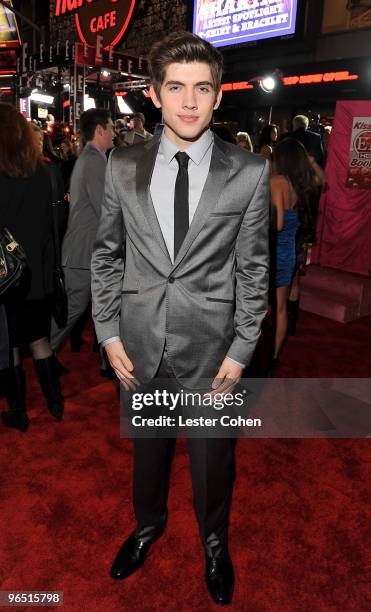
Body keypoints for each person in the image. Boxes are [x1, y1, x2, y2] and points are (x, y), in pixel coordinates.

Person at [91, 31, 269, 605]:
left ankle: (214, 543)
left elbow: (253, 272)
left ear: (218, 98)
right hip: (140, 343)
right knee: (149, 454)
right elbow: (107, 255)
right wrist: (108, 329)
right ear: (153, 94)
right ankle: (147, 528)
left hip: (214, 353)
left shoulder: (249, 172)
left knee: (214, 463)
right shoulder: (121, 165)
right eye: (176, 87)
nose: (189, 101)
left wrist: (242, 352)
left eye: (202, 88)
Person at [0, 103, 64, 431]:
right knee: (39, 339)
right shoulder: (42, 172)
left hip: (6, 276)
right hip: (37, 272)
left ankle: (18, 411)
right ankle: (56, 403)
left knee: (10, 343)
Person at [49, 108, 114, 355]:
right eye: (111, 127)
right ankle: (45, 353)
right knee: (72, 309)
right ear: (100, 130)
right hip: (82, 253)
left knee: (86, 308)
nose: (114, 133)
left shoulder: (89, 157)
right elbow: (105, 210)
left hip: (84, 252)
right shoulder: (94, 160)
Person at [270, 138, 317, 364]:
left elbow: (276, 224)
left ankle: (256, 357)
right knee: (280, 309)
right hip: (288, 251)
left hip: (271, 252)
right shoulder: (300, 184)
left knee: (256, 309)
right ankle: (273, 357)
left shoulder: (277, 181)